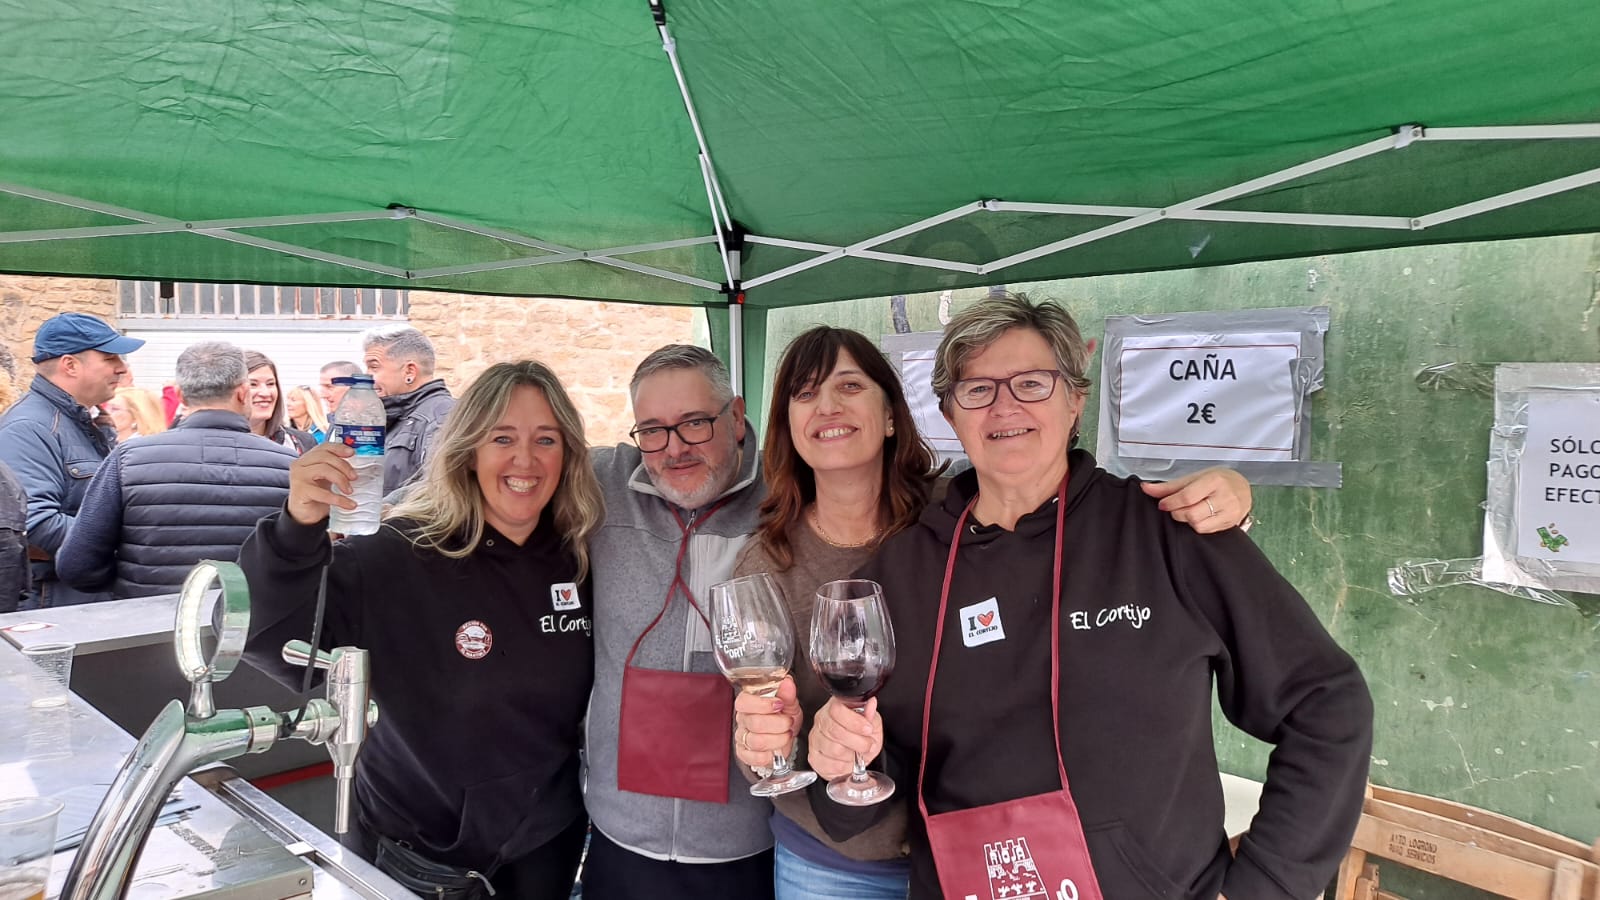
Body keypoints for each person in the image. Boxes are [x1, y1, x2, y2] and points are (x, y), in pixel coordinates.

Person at [805, 295, 1373, 900]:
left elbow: (1326, 704)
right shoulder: (899, 573)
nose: (1005, 407)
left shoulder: (1166, 534)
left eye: (1032, 383)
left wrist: (1266, 886)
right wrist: (837, 759)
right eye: (977, 389)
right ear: (949, 410)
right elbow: (857, 798)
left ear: (1076, 397)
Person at [728, 327, 1252, 900]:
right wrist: (762, 747)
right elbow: (764, 721)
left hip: (980, 861)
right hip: (839, 859)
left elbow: (1046, 486)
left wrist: (1229, 493)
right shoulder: (769, 562)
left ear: (891, 416)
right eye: (804, 394)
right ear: (786, 426)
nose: (828, 406)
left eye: (849, 385)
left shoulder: (959, 513)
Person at [239, 360, 602, 899]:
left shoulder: (581, 555)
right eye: (502, 437)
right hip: (419, 858)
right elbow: (278, 645)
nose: (525, 459)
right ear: (468, 450)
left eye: (545, 439)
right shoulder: (396, 553)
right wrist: (297, 527)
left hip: (546, 849)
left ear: (568, 453)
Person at [55, 342, 296, 599]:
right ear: (243, 392)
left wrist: (133, 579)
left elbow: (77, 565)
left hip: (148, 623)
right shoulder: (288, 464)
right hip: (248, 622)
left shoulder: (129, 460)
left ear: (179, 395)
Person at [0, 313, 143, 607]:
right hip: (55, 601)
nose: (121, 367)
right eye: (109, 357)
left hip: (78, 594)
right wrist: (121, 547)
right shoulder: (29, 427)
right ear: (70, 365)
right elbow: (34, 522)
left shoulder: (84, 421)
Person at [361, 325, 455, 493]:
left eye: (374, 367)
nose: (366, 376)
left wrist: (383, 510)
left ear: (409, 371)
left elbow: (439, 490)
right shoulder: (392, 416)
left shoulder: (442, 416)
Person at [244, 350, 317, 454]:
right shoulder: (216, 445)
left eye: (270, 383)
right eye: (253, 384)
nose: (265, 393)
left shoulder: (302, 443)